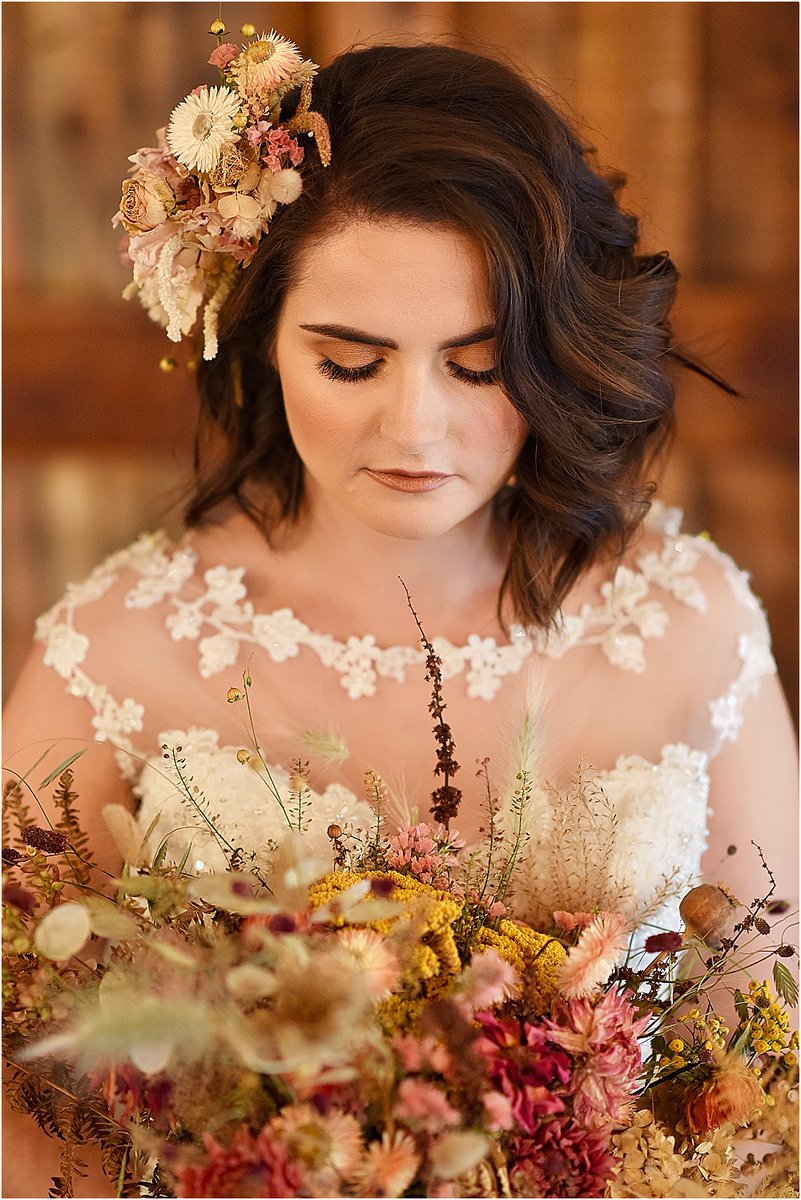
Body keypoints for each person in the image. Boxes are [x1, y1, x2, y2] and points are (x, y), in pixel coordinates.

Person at [3, 32, 797, 1198]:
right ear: (262, 336)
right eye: (351, 362)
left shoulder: (689, 620)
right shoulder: (117, 648)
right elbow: (25, 1093)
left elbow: (771, 1064)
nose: (416, 430)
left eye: (477, 365)